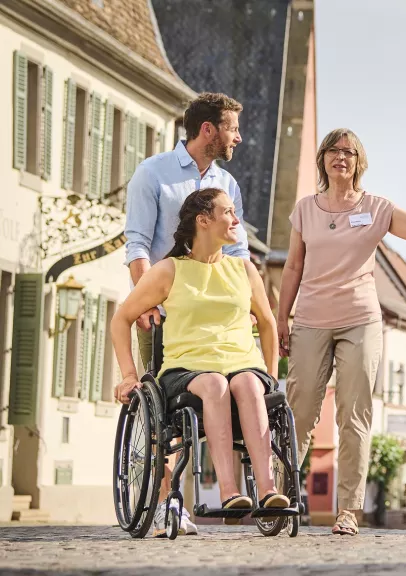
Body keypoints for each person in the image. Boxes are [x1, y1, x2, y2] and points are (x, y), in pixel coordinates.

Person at [276, 128, 406, 536]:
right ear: (322, 159)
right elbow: (292, 268)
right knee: (299, 413)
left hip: (360, 319)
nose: (339, 157)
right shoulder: (305, 209)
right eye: (332, 151)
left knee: (354, 415)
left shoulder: (376, 207)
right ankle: (281, 496)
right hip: (309, 319)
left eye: (348, 152)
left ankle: (348, 510)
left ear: (360, 162)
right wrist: (280, 318)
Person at [112, 187, 287, 533]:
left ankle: (268, 491)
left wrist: (271, 375)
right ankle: (229, 491)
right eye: (229, 212)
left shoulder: (244, 270)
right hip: (186, 369)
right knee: (215, 382)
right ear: (203, 221)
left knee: (248, 382)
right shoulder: (169, 271)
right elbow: (121, 318)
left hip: (242, 364)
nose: (237, 220)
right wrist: (129, 374)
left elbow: (267, 324)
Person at [123, 92, 248, 536]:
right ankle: (163, 505)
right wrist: (145, 300)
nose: (238, 136)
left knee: (232, 391)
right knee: (164, 413)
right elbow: (137, 241)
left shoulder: (227, 184)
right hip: (162, 310)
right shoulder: (152, 173)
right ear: (208, 130)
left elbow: (239, 249)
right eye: (232, 127)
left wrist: (249, 307)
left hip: (216, 317)